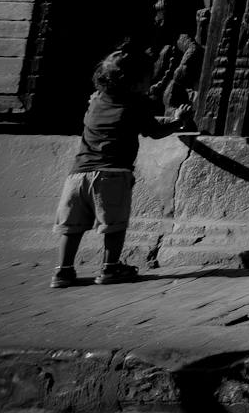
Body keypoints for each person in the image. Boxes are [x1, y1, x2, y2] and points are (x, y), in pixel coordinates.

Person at [49, 46, 191, 288]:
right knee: (114, 225)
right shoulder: (136, 104)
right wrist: (178, 122)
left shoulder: (95, 100)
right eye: (147, 78)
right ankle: (110, 268)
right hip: (112, 175)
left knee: (71, 226)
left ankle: (63, 271)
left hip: (78, 174)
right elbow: (154, 132)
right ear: (135, 82)